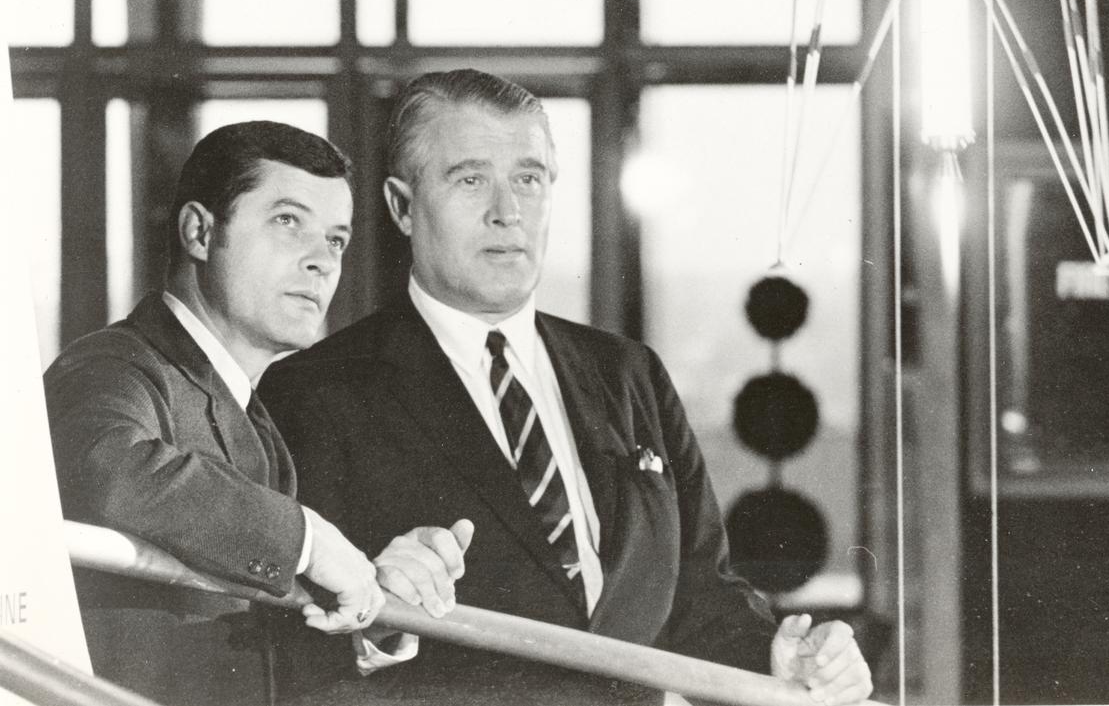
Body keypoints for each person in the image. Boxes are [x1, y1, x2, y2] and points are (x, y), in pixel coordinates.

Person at [258, 71, 874, 705]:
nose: (507, 211)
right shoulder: (314, 394)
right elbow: (286, 644)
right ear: (402, 207)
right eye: (470, 180)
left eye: (528, 179)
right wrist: (379, 630)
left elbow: (699, 597)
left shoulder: (629, 375)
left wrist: (771, 657)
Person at [44, 121, 470, 706]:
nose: (322, 260)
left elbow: (255, 651)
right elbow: (105, 468)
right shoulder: (112, 365)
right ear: (199, 231)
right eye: (287, 222)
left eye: (337, 239)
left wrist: (375, 611)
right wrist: (308, 541)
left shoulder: (254, 420)